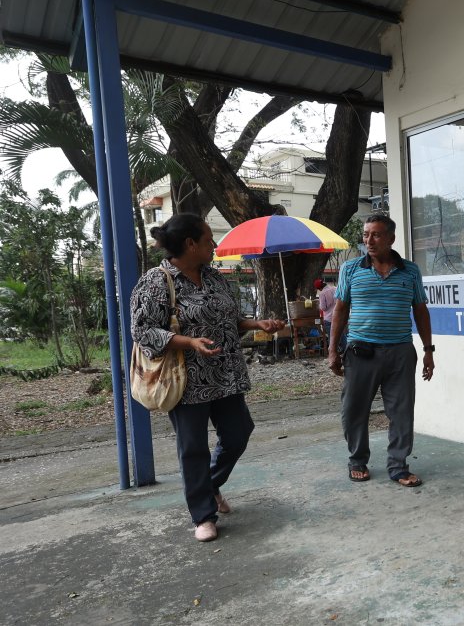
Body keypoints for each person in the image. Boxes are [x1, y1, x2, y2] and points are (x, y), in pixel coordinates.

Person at [130, 213, 285, 542]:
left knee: (239, 433)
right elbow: (142, 330)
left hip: (225, 374)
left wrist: (258, 324)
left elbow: (232, 318)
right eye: (208, 240)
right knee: (193, 448)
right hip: (186, 380)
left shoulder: (214, 278)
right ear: (190, 244)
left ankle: (209, 485)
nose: (214, 245)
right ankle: (203, 514)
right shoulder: (156, 281)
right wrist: (188, 342)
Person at [327, 214, 435, 487]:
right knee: (353, 410)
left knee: (401, 411)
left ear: (391, 238)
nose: (369, 240)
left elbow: (420, 311)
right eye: (365, 235)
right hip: (360, 352)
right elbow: (340, 310)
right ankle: (357, 460)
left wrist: (428, 350)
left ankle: (398, 466)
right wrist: (332, 350)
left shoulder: (410, 271)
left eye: (375, 235)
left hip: (399, 352)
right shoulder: (351, 270)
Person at [316, 277, 339, 351]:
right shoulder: (335, 288)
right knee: (341, 335)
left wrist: (319, 306)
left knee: (331, 337)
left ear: (319, 288)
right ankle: (344, 351)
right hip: (338, 316)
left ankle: (332, 353)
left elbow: (323, 308)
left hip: (329, 318)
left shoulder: (322, 294)